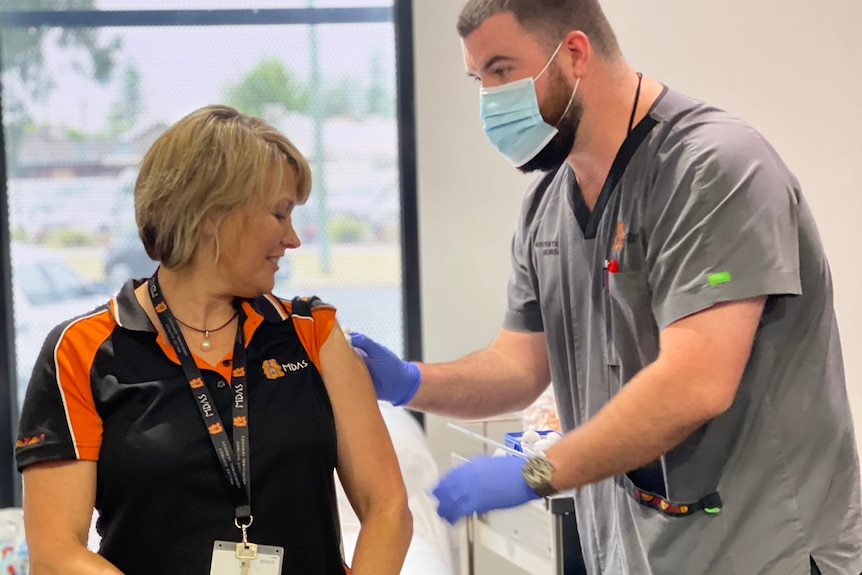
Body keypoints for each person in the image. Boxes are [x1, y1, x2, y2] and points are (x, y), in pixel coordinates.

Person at [349, 1, 862, 574]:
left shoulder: (712, 169)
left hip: (760, 549)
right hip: (635, 551)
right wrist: (409, 381)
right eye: (478, 80)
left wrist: (535, 472)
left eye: (501, 70)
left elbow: (697, 383)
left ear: (573, 53)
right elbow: (518, 367)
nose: (489, 101)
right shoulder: (547, 205)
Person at [15, 105, 412, 575]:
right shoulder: (81, 350)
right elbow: (56, 553)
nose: (293, 239)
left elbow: (387, 507)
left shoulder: (313, 334)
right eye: (279, 214)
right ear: (213, 214)